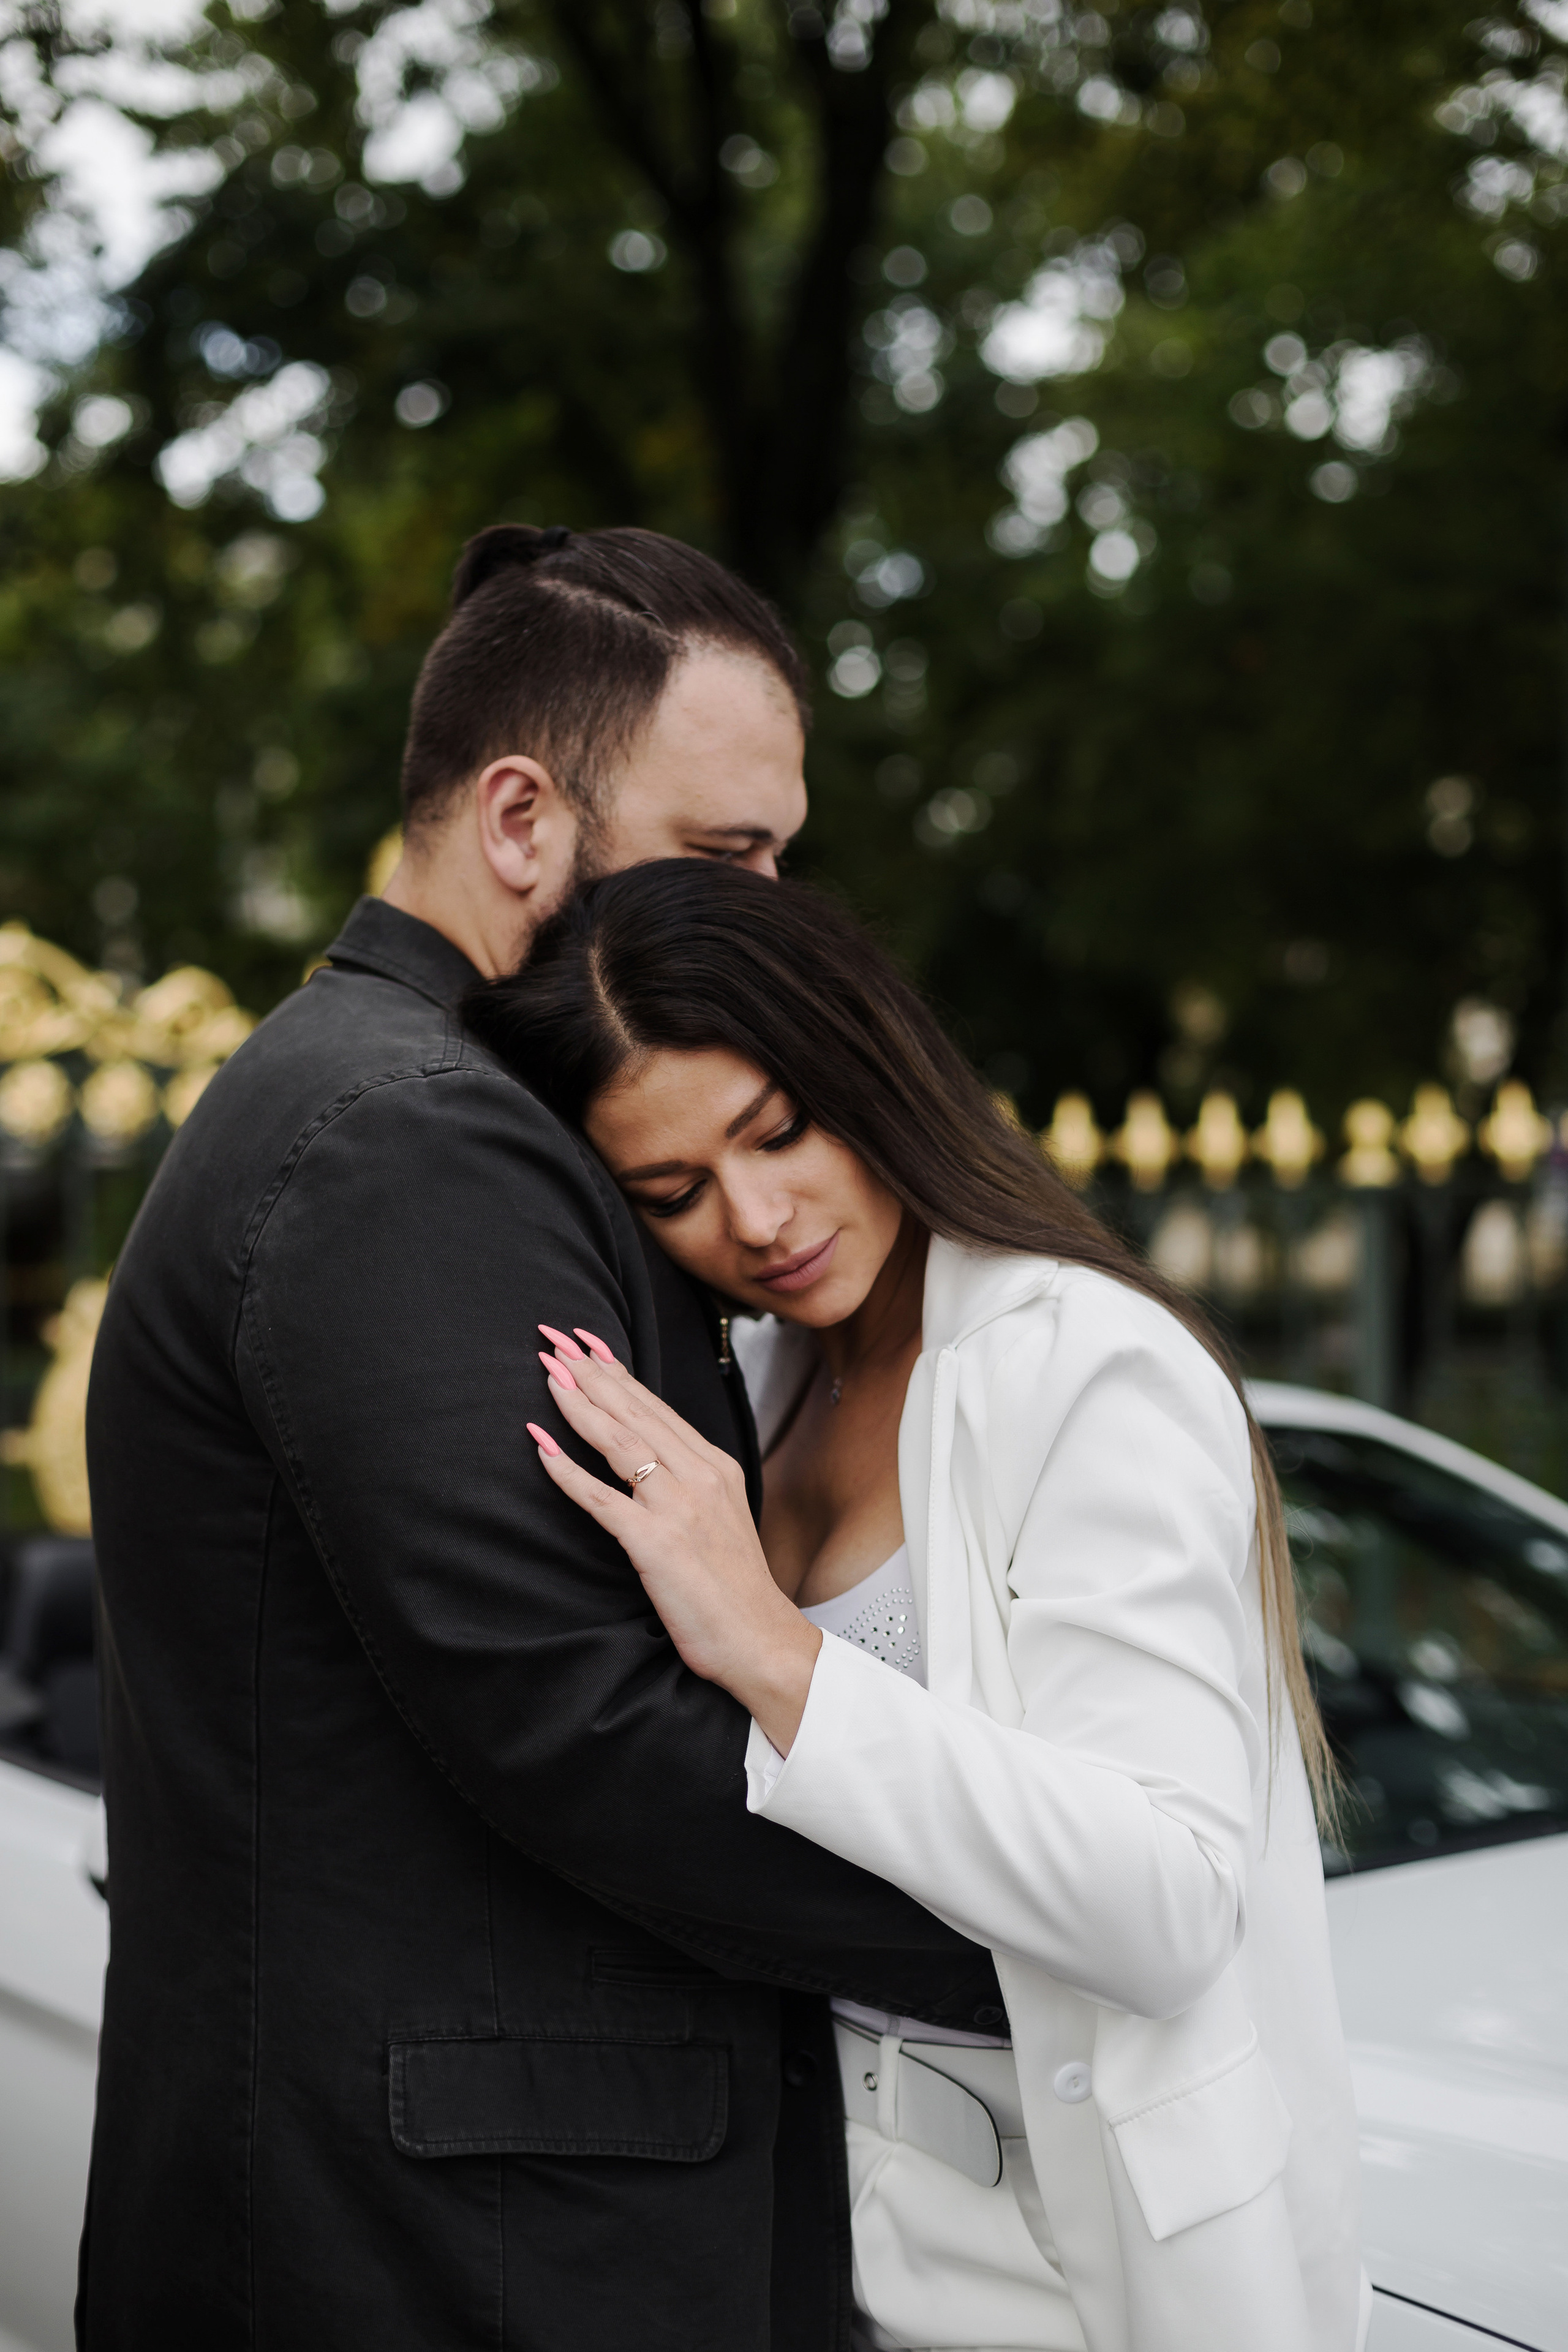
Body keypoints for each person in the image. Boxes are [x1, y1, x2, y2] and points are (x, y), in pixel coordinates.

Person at [81, 526, 1004, 2352]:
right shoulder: (405, 1145)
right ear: (521, 822)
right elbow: (581, 1726)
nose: (772, 914)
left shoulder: (446, 1110)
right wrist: (1052, 1925)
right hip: (457, 2255)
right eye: (725, 855)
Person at [465, 859, 1370, 2352]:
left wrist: (769, 1649)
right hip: (824, 2231)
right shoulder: (753, 1386)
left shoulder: (1082, 1365)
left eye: (780, 1129)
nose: (757, 1219)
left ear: (860, 1056)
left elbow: (1163, 1903)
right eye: (673, 1193)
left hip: (1079, 2265)